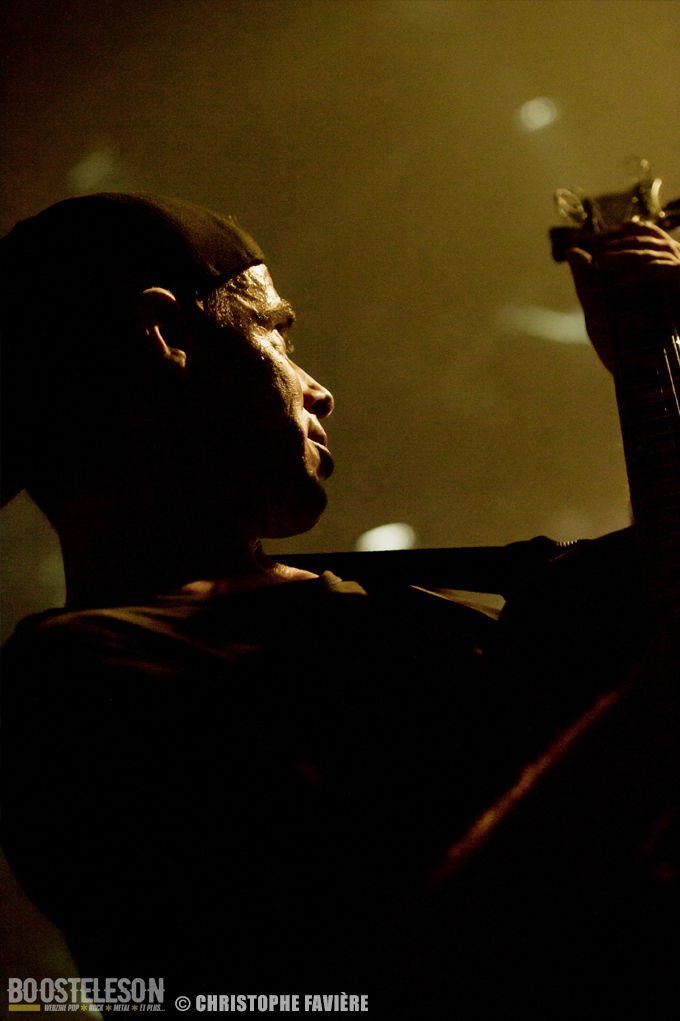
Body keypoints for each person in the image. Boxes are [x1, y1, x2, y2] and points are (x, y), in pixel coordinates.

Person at [1, 195, 677, 1006]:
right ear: (165, 335)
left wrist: (657, 358)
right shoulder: (76, 690)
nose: (318, 389)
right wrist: (646, 717)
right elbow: (352, 982)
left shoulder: (423, 607)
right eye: (276, 334)